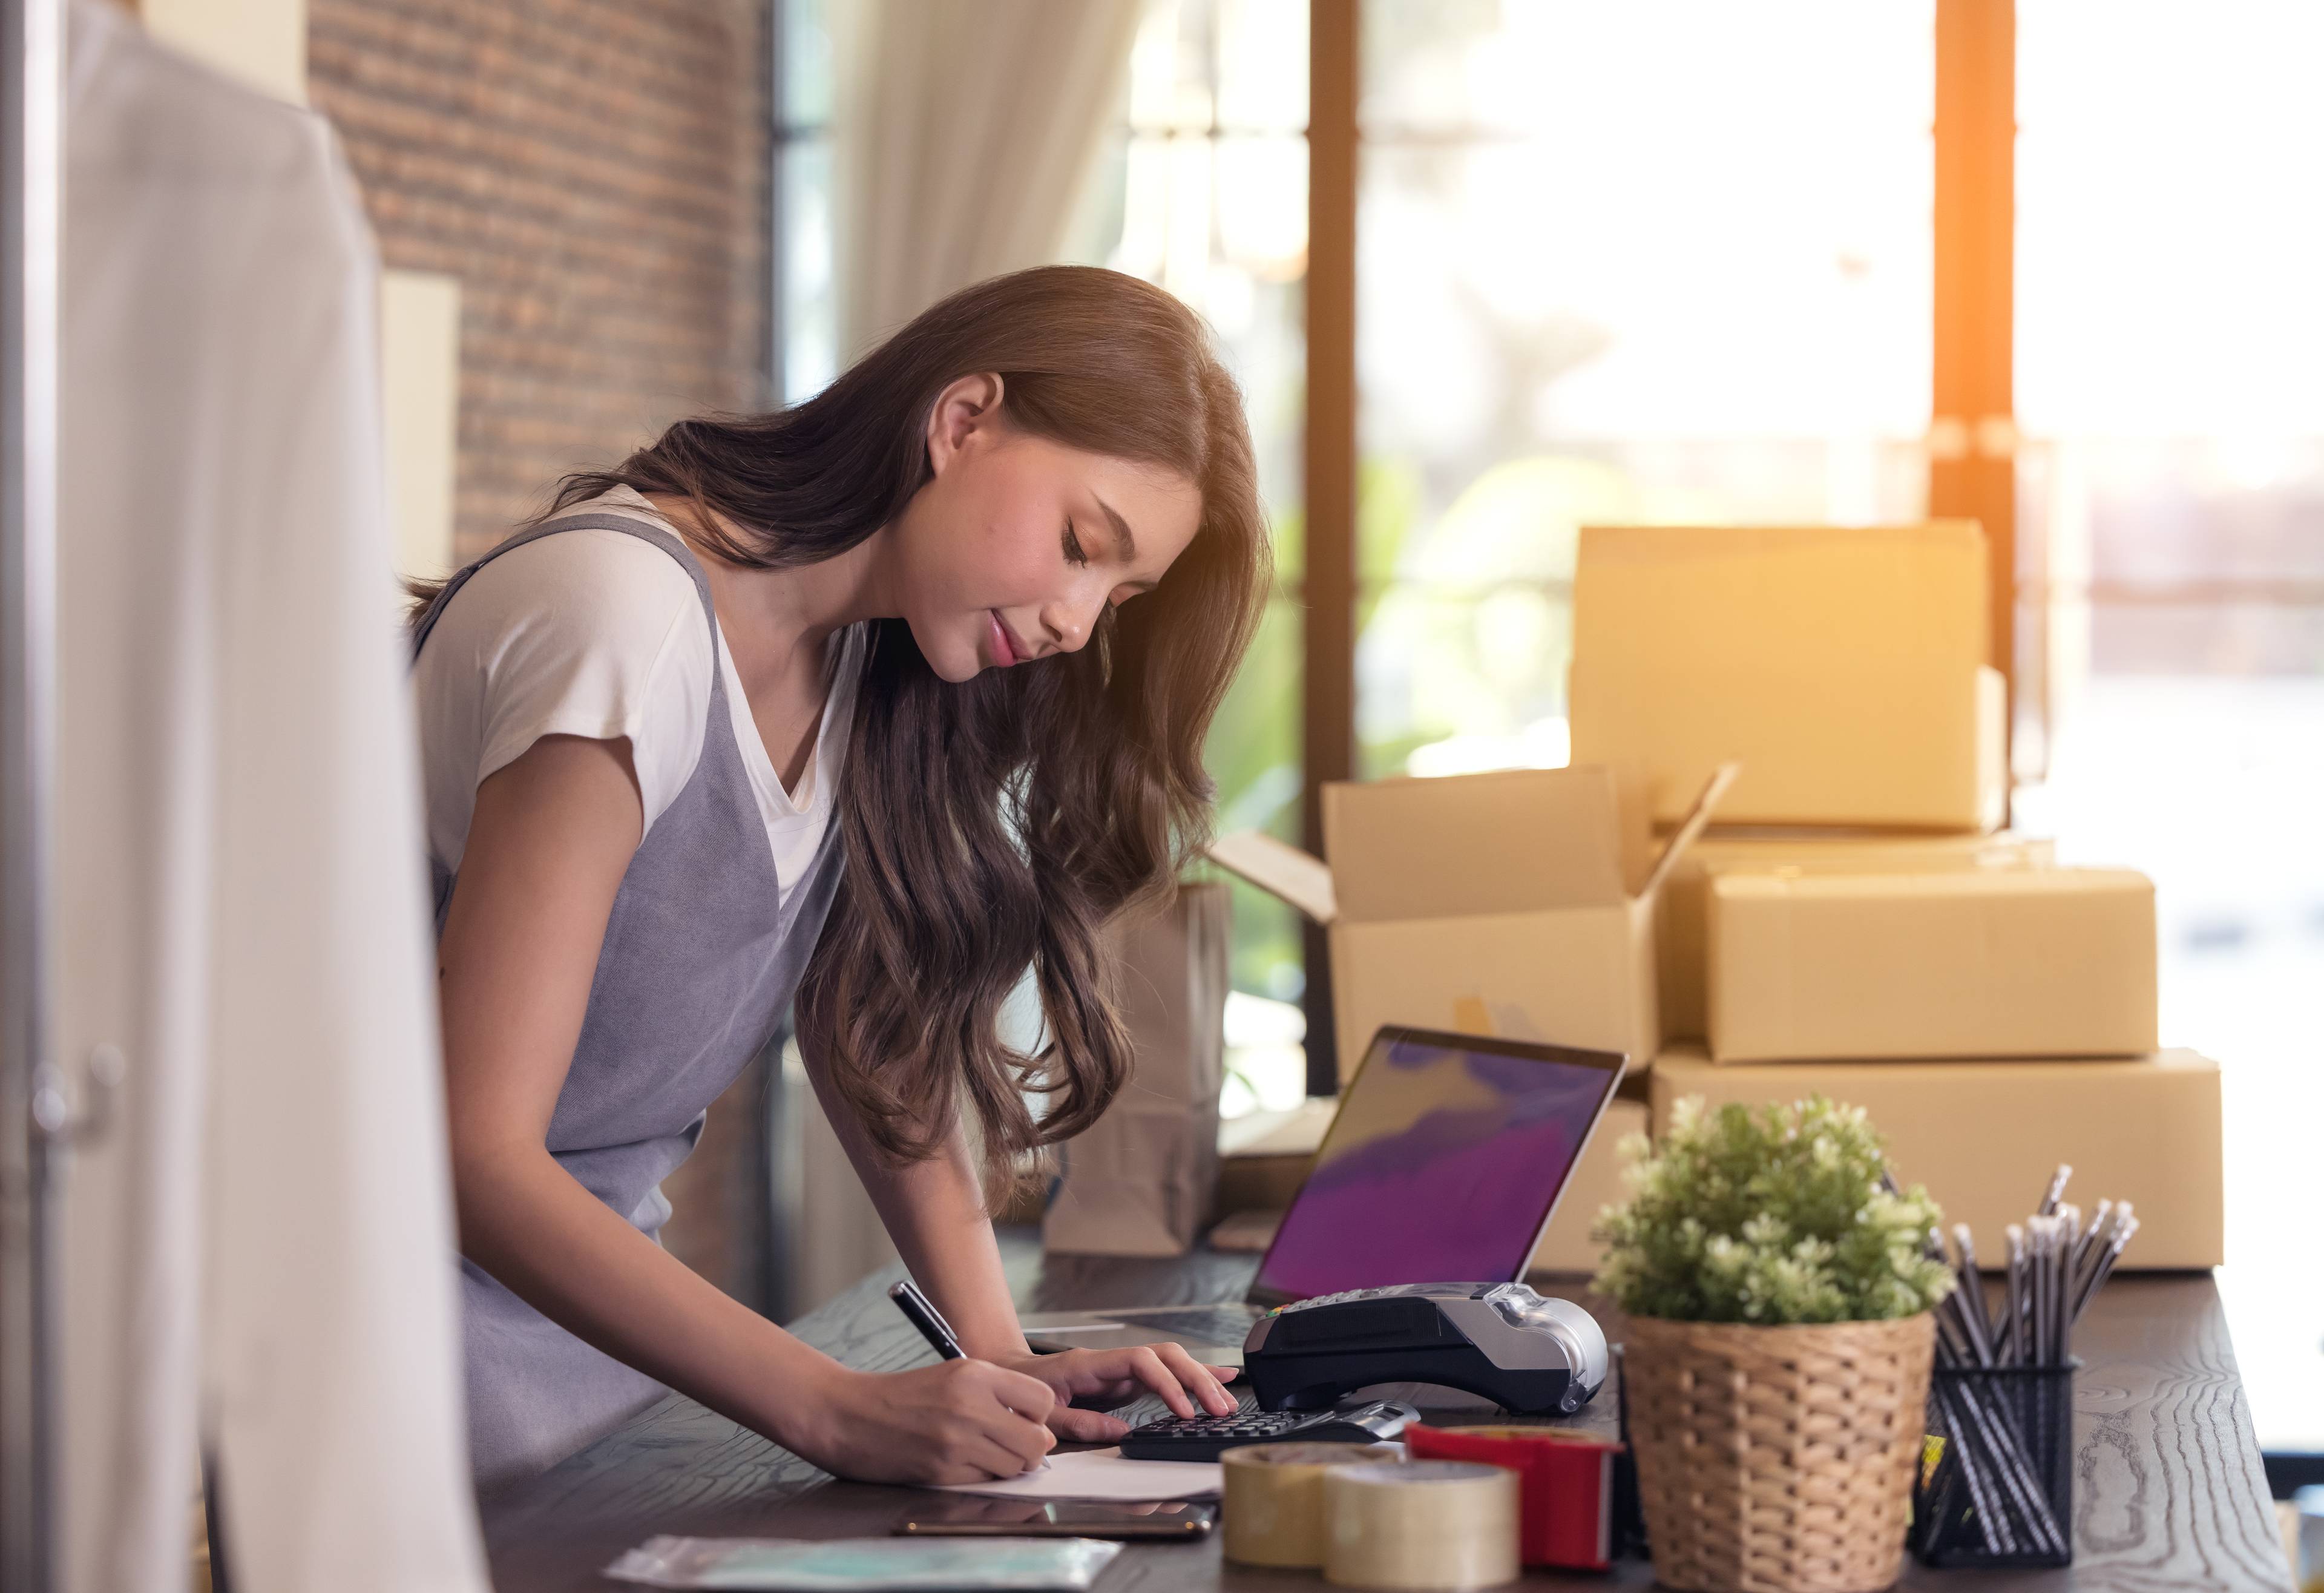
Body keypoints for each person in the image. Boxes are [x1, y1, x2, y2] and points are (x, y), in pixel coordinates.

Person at [410, 266, 1269, 1490]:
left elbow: (875, 1029)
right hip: (390, 1357)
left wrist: (1004, 1357)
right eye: (1082, 544)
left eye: (1117, 597)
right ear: (962, 420)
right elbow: (474, 1151)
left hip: (592, 1357)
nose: (1080, 620)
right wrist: (834, 1408)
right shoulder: (624, 618)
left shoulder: (867, 666)